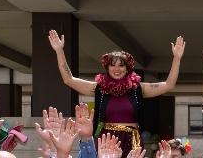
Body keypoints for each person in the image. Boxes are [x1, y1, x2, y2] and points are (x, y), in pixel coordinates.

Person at [47, 30, 185, 150]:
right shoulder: (99, 88)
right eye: (112, 65)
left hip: (132, 139)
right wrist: (59, 50)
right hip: (107, 140)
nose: (117, 69)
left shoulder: (138, 88)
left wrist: (177, 58)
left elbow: (169, 84)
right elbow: (69, 80)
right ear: (107, 68)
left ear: (127, 68)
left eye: (121, 65)